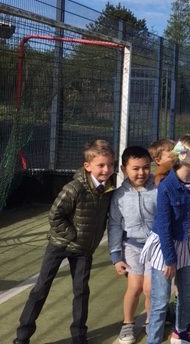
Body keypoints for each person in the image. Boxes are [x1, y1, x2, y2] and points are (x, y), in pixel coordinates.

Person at [14, 139, 116, 344]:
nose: (106, 170)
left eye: (110, 165)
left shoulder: (109, 189)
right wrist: (72, 236)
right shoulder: (74, 188)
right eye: (101, 165)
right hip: (60, 246)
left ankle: (79, 337)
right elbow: (55, 215)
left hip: (84, 250)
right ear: (87, 166)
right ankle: (22, 337)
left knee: (81, 292)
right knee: (41, 289)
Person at [141, 135, 190, 344]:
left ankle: (181, 332)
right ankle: (153, 340)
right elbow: (164, 226)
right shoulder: (167, 186)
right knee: (160, 301)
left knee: (186, 295)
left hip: (189, 242)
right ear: (189, 158)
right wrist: (170, 259)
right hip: (166, 246)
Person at [107, 146, 156, 344]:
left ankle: (151, 321)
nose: (141, 173)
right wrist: (116, 256)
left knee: (150, 289)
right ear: (123, 169)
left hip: (156, 247)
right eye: (135, 168)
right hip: (132, 247)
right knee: (135, 287)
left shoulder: (159, 188)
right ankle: (127, 323)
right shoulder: (119, 195)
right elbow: (114, 225)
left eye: (146, 167)